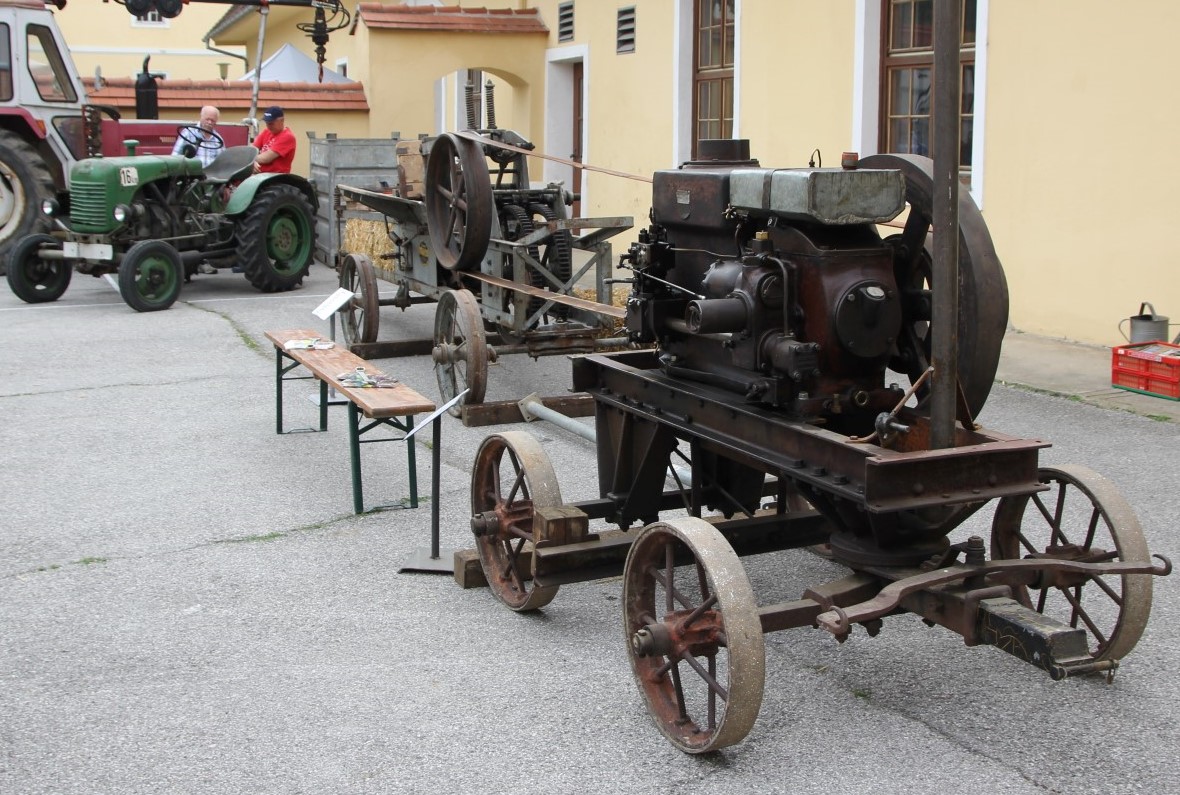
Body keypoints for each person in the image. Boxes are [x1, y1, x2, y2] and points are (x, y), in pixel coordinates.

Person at [252, 105, 296, 174]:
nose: (268, 126)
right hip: (260, 175)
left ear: (282, 120)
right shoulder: (266, 131)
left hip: (275, 177)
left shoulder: (287, 137)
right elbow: (252, 149)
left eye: (271, 123)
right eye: (266, 123)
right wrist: (253, 162)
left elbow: (266, 158)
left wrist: (250, 160)